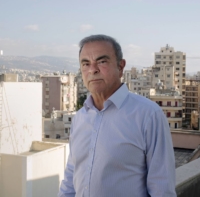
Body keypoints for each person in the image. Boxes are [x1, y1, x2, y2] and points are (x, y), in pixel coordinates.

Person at [58, 35, 176, 197]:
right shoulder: (79, 118)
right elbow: (71, 177)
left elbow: (162, 188)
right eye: (85, 64)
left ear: (121, 67)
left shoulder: (148, 115)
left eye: (102, 61)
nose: (93, 69)